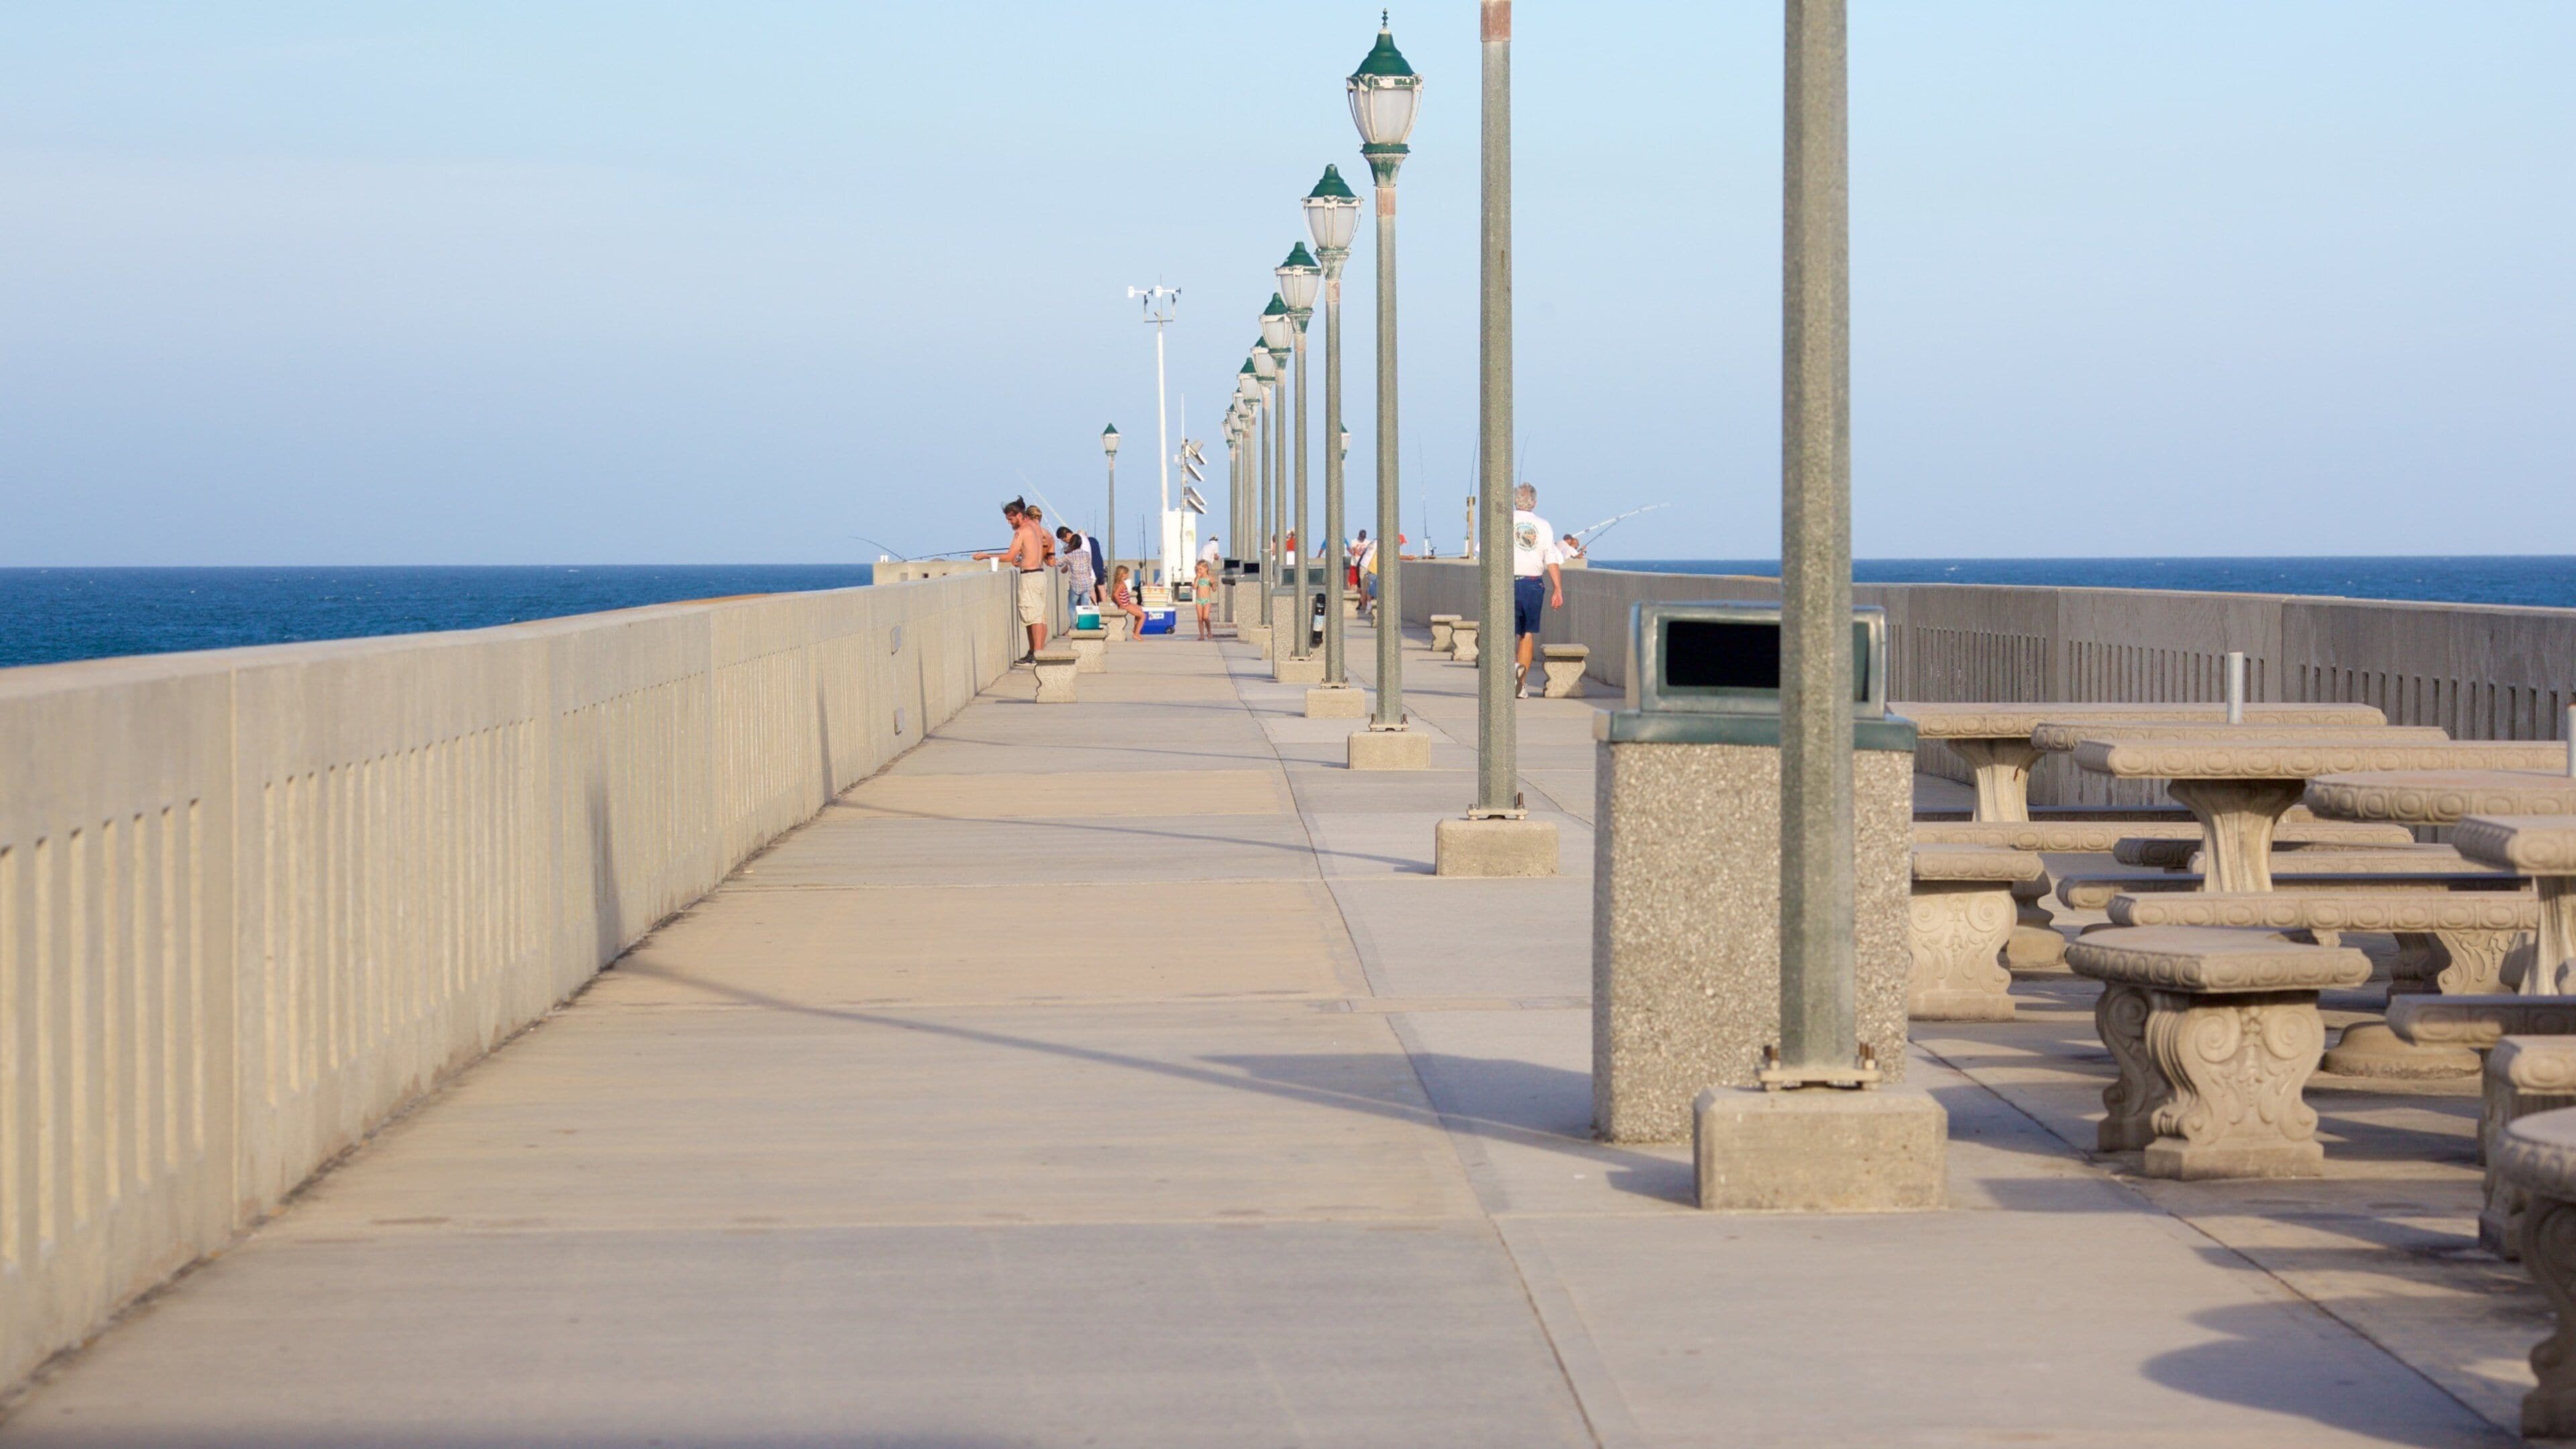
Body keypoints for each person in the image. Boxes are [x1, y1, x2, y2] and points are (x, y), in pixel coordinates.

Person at [972, 498, 1052, 661]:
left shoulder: (1021, 531)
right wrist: (1039, 556)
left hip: (1030, 577)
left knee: (1033, 617)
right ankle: (1036, 652)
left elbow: (1009, 556)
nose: (1009, 523)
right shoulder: (1036, 526)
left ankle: (1037, 654)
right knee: (1039, 616)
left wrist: (985, 556)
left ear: (1019, 515)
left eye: (1010, 519)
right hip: (1040, 575)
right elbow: (1049, 539)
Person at [1509, 483, 1566, 698]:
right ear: (1534, 502)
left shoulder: (1504, 521)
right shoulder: (1543, 525)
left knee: (1503, 633)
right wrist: (1557, 589)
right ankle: (1520, 683)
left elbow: (1482, 552)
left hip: (1506, 582)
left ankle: (1506, 676)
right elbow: (1550, 557)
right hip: (1532, 583)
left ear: (1515, 500)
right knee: (1526, 634)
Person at [1055, 526, 1095, 621]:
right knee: (1084, 604)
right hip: (1088, 579)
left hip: (1079, 581)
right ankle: (1084, 625)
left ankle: (1076, 626)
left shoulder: (1073, 551)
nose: (1065, 541)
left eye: (1064, 538)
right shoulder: (1084, 546)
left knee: (1074, 605)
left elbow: (1057, 563)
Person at [1108, 564, 1148, 635]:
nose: (1128, 575)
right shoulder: (1121, 584)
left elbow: (1113, 597)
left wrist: (1117, 604)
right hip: (1126, 605)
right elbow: (1115, 595)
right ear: (1123, 574)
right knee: (1143, 616)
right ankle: (1136, 634)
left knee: (1140, 609)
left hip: (1127, 603)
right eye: (1127, 574)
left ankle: (1135, 629)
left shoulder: (1118, 583)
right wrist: (1121, 605)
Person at [1192, 559, 1216, 640]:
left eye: (1200, 569)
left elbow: (1214, 589)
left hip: (1206, 601)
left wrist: (1213, 583)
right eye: (1197, 570)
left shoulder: (1209, 578)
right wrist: (1198, 578)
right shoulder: (1197, 579)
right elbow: (1194, 587)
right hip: (1199, 601)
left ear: (1206, 569)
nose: (1199, 571)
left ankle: (1209, 631)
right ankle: (1202, 635)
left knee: (1205, 617)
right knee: (1200, 618)